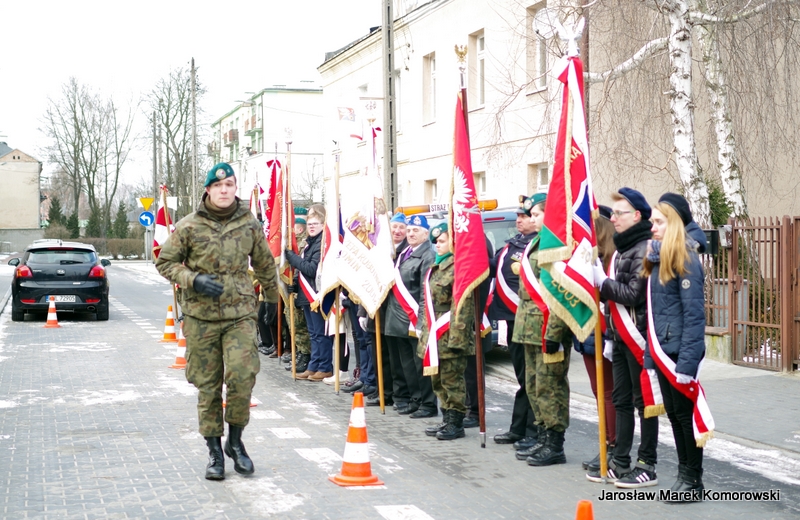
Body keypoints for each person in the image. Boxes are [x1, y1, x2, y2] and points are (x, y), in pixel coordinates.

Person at [156, 162, 278, 481]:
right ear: (208, 190)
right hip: (201, 317)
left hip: (240, 314)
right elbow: (165, 262)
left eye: (229, 185)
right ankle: (214, 451)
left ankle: (235, 443)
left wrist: (272, 299)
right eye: (218, 186)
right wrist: (193, 279)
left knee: (242, 377)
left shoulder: (249, 224)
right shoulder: (189, 225)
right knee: (208, 385)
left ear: (235, 188)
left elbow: (265, 264)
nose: (224, 190)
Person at [587, 188, 659, 488]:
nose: (613, 218)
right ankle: (620, 460)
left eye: (619, 213)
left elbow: (633, 295)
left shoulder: (644, 248)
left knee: (644, 403)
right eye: (613, 213)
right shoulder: (622, 248)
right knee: (621, 399)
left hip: (637, 338)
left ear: (637, 216)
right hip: (619, 337)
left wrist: (602, 283)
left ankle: (647, 463)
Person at [643, 193, 712, 501]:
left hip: (678, 355)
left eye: (658, 222)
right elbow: (655, 314)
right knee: (673, 414)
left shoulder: (686, 259)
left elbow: (694, 317)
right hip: (663, 351)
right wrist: (650, 356)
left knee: (685, 417)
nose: (652, 227)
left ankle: (693, 480)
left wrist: (686, 364)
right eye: (652, 222)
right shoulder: (658, 259)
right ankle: (684, 475)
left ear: (673, 224)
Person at [512, 192, 573, 467]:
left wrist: (555, 333)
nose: (532, 219)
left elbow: (560, 293)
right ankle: (542, 435)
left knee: (551, 387)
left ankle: (555, 444)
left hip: (549, 326)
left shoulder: (558, 245)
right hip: (529, 326)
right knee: (535, 385)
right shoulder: (537, 242)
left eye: (536, 214)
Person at [490, 196, 538, 449]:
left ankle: (534, 431)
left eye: (526, 216)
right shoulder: (511, 245)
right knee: (523, 377)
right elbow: (493, 268)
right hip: (512, 319)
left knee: (533, 378)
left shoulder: (538, 245)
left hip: (532, 319)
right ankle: (519, 428)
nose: (520, 220)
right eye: (518, 216)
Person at [419, 223, 474, 440]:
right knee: (438, 380)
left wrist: (457, 339)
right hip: (434, 334)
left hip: (450, 333)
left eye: (442, 241)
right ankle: (446, 417)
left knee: (452, 381)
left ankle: (456, 422)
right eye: (436, 242)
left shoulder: (458, 268)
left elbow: (463, 306)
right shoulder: (437, 266)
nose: (438, 246)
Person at [573, 206, 616, 473]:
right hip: (590, 332)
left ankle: (613, 447)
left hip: (605, 332)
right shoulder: (591, 258)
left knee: (608, 394)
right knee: (600, 393)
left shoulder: (609, 261)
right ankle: (606, 445)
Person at [383, 214, 438, 418]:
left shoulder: (427, 256)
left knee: (420, 365)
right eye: (409, 230)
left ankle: (428, 404)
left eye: (416, 230)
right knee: (407, 365)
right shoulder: (406, 252)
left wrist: (421, 321)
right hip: (399, 319)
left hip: (414, 318)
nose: (411, 234)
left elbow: (425, 292)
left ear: (426, 233)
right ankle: (416, 400)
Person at [362, 212, 408, 406]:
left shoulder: (407, 251)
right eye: (394, 227)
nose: (397, 231)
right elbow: (367, 281)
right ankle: (383, 391)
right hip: (377, 310)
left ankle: (397, 394)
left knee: (395, 359)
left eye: (401, 228)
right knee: (380, 356)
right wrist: (362, 312)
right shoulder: (380, 249)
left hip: (396, 313)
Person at [286, 204, 334, 381]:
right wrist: (295, 284)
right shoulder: (309, 243)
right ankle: (313, 366)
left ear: (323, 225)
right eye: (309, 224)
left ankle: (325, 367)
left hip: (317, 295)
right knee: (313, 333)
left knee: (321, 334)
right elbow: (303, 271)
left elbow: (312, 269)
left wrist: (292, 258)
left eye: (315, 224)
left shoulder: (321, 243)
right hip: (307, 294)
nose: (311, 227)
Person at [283, 209, 311, 373]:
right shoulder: (292, 243)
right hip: (295, 288)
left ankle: (305, 354)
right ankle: (300, 352)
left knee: (301, 325)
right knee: (292, 323)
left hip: (303, 289)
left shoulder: (303, 244)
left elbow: (301, 265)